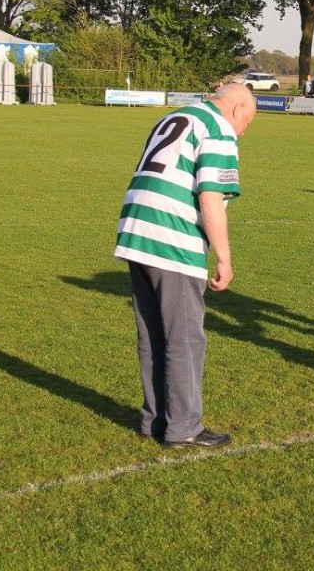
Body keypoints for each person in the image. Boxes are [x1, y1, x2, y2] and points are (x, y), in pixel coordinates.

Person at [114, 83, 258, 449]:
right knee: (184, 336)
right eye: (248, 123)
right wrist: (224, 256)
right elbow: (210, 196)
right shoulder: (219, 127)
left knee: (153, 333)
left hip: (135, 228)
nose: (244, 132)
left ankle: (156, 419)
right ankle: (184, 428)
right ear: (238, 108)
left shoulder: (176, 116)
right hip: (172, 237)